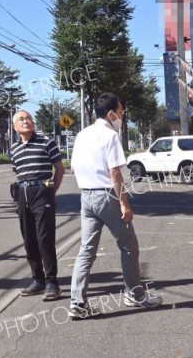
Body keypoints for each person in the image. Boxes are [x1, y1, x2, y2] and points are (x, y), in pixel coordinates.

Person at [69, 92, 163, 319]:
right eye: (120, 112)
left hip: (86, 197)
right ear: (110, 113)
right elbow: (114, 172)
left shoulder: (82, 134)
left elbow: (73, 167)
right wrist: (124, 204)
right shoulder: (110, 135)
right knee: (129, 245)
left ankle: (78, 303)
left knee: (86, 251)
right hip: (107, 196)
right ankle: (135, 294)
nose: (122, 116)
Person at [10, 110, 65, 302]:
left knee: (45, 239)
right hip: (22, 194)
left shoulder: (46, 142)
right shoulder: (14, 148)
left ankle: (52, 282)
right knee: (29, 240)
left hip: (42, 193)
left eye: (28, 118)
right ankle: (37, 279)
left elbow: (59, 168)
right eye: (21, 119)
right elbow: (17, 171)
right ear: (15, 126)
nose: (26, 121)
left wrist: (51, 191)